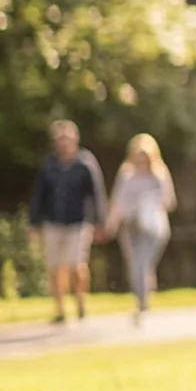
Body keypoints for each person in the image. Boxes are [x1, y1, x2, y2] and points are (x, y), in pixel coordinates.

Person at [29, 120, 108, 325]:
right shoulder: (49, 166)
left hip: (79, 221)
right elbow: (38, 195)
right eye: (59, 139)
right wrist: (33, 223)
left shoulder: (85, 164)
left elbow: (97, 194)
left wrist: (100, 222)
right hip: (53, 221)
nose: (62, 143)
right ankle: (60, 309)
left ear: (75, 139)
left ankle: (80, 301)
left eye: (66, 139)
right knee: (55, 266)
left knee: (76, 264)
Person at [103, 134, 176, 323]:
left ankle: (143, 302)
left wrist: (150, 202)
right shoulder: (127, 174)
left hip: (152, 228)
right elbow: (118, 202)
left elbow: (169, 202)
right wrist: (111, 225)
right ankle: (142, 297)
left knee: (143, 263)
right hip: (131, 226)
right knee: (135, 264)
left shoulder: (160, 174)